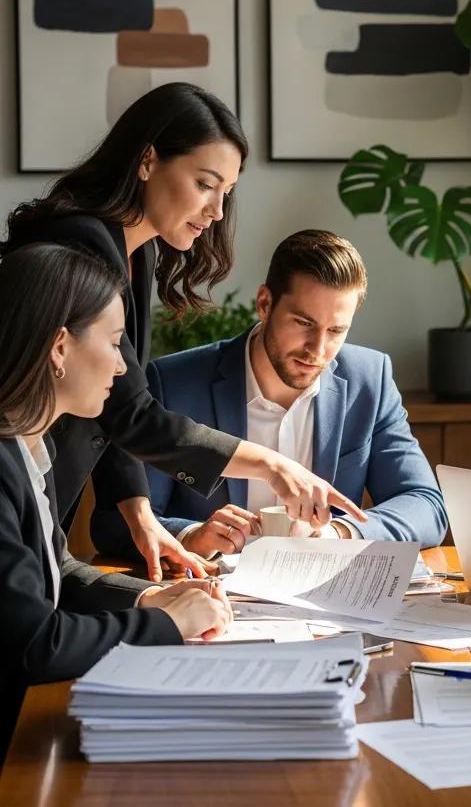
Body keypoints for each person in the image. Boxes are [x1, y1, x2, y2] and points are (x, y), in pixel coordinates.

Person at [2, 84, 366, 582]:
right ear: (148, 159)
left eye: (226, 193)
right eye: (204, 184)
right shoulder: (79, 244)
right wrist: (274, 466)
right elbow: (134, 414)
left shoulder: (136, 251)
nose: (217, 211)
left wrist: (138, 510)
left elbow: (117, 403)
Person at [0, 243, 233, 762]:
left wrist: (148, 599)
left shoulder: (30, 447)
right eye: (112, 342)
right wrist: (169, 626)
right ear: (60, 347)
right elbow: (35, 645)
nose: (124, 369)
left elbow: (55, 570)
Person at [91, 230, 447, 557]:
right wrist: (192, 536)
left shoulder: (370, 379)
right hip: (213, 603)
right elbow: (112, 525)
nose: (318, 350)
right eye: (304, 323)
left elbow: (425, 505)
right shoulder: (175, 381)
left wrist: (341, 532)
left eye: (336, 330)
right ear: (264, 303)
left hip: (325, 607)